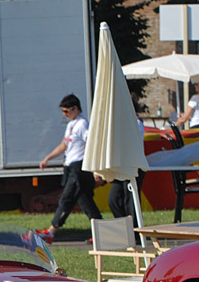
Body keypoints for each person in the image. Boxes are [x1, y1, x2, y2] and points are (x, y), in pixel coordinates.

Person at [36, 94, 102, 243]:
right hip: (71, 167)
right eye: (63, 112)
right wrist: (48, 158)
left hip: (80, 167)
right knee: (85, 201)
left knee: (66, 199)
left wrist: (95, 169)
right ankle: (101, 233)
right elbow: (64, 145)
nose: (64, 114)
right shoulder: (71, 125)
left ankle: (51, 231)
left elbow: (93, 146)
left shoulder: (83, 125)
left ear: (75, 108)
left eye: (66, 111)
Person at [108, 100, 147, 225]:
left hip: (133, 165)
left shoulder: (136, 123)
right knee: (114, 199)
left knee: (131, 201)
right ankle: (124, 228)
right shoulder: (118, 124)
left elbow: (133, 144)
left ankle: (133, 231)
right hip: (121, 166)